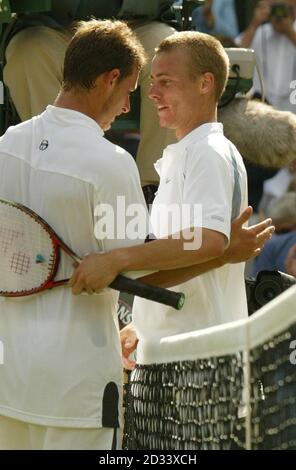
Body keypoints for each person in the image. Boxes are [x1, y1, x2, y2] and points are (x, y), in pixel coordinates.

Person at [69, 31, 275, 367]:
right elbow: (190, 258)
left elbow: (208, 241)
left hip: (200, 363)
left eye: (165, 82)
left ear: (205, 84)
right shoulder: (193, 152)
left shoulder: (207, 153)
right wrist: (143, 323)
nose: (151, 93)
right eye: (152, 81)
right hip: (175, 357)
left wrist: (117, 259)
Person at [0, 19, 149, 450]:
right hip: (76, 394)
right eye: (129, 93)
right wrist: (220, 251)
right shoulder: (113, 163)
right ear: (110, 79)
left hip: (9, 387)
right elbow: (138, 267)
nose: (125, 108)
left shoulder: (6, 143)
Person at [2, 0, 177, 188]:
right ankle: (61, 177)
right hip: (55, 27)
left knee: (173, 54)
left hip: (136, 25)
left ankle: (155, 187)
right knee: (27, 52)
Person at [237, 0, 296, 113]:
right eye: (276, 7)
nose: (279, 13)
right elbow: (236, 52)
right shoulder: (260, 31)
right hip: (263, 108)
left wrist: (289, 33)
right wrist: (254, 23)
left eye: (284, 7)